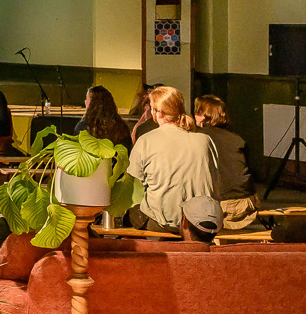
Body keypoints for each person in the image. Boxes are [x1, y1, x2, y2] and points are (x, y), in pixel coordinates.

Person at [126, 86, 219, 238]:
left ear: (159, 112)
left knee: (132, 212)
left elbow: (132, 186)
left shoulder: (146, 141)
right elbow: (216, 181)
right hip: (201, 222)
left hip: (161, 222)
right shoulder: (205, 141)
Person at [194, 94, 259, 231]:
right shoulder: (237, 139)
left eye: (196, 111)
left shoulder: (197, 138)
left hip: (220, 206)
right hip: (246, 202)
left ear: (202, 114)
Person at [76, 85, 133, 149]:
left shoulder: (84, 127)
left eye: (87, 99)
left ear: (93, 103)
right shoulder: (122, 127)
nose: (85, 102)